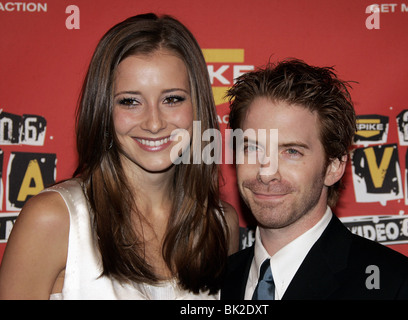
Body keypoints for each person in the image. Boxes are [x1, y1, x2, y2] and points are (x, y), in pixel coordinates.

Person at [0, 13, 239, 300]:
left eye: (172, 99)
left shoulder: (221, 225)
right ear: (103, 110)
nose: (154, 123)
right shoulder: (54, 219)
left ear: (197, 105)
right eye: (130, 102)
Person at [220, 59, 408, 300]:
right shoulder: (212, 284)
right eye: (251, 148)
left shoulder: (401, 288)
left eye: (292, 152)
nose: (266, 172)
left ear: (334, 167)